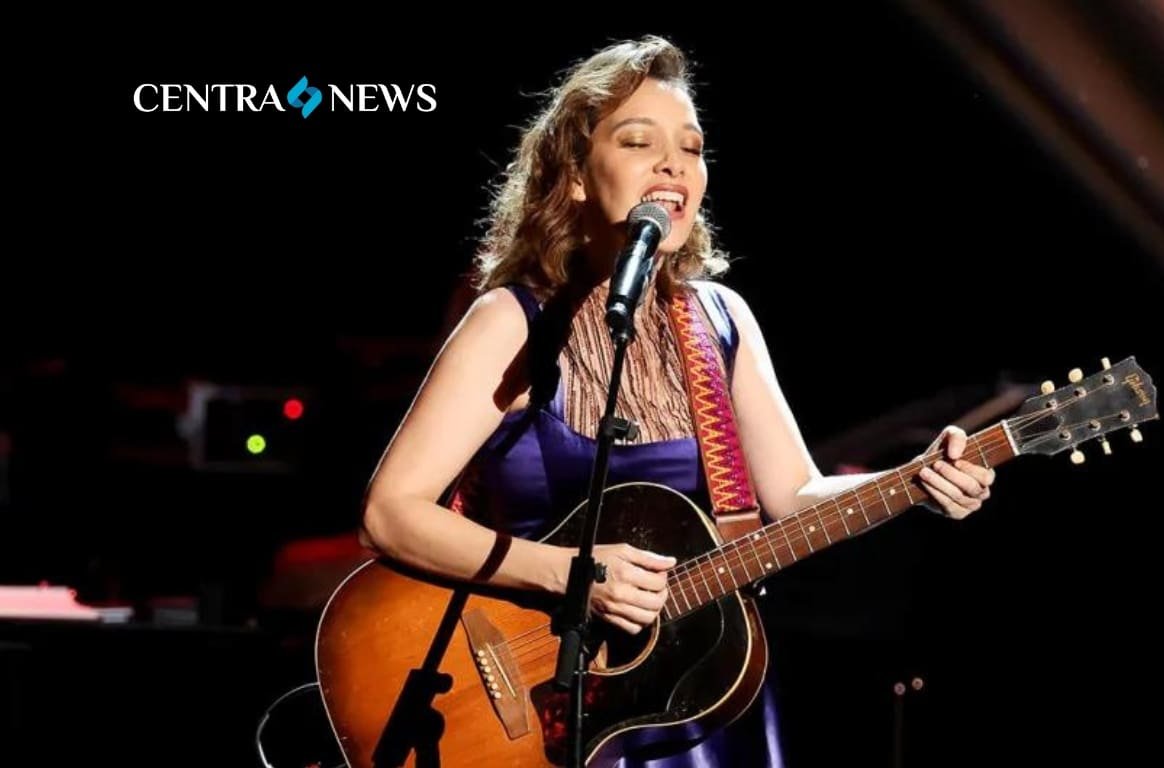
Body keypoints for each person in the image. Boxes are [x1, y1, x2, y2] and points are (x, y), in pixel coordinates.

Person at [358, 35, 996, 767]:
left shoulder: (720, 320)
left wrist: (915, 480)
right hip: (528, 708)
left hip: (694, 703)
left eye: (692, 149)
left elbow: (793, 494)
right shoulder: (512, 320)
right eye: (639, 141)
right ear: (572, 174)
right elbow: (389, 514)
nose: (674, 164)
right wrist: (571, 575)